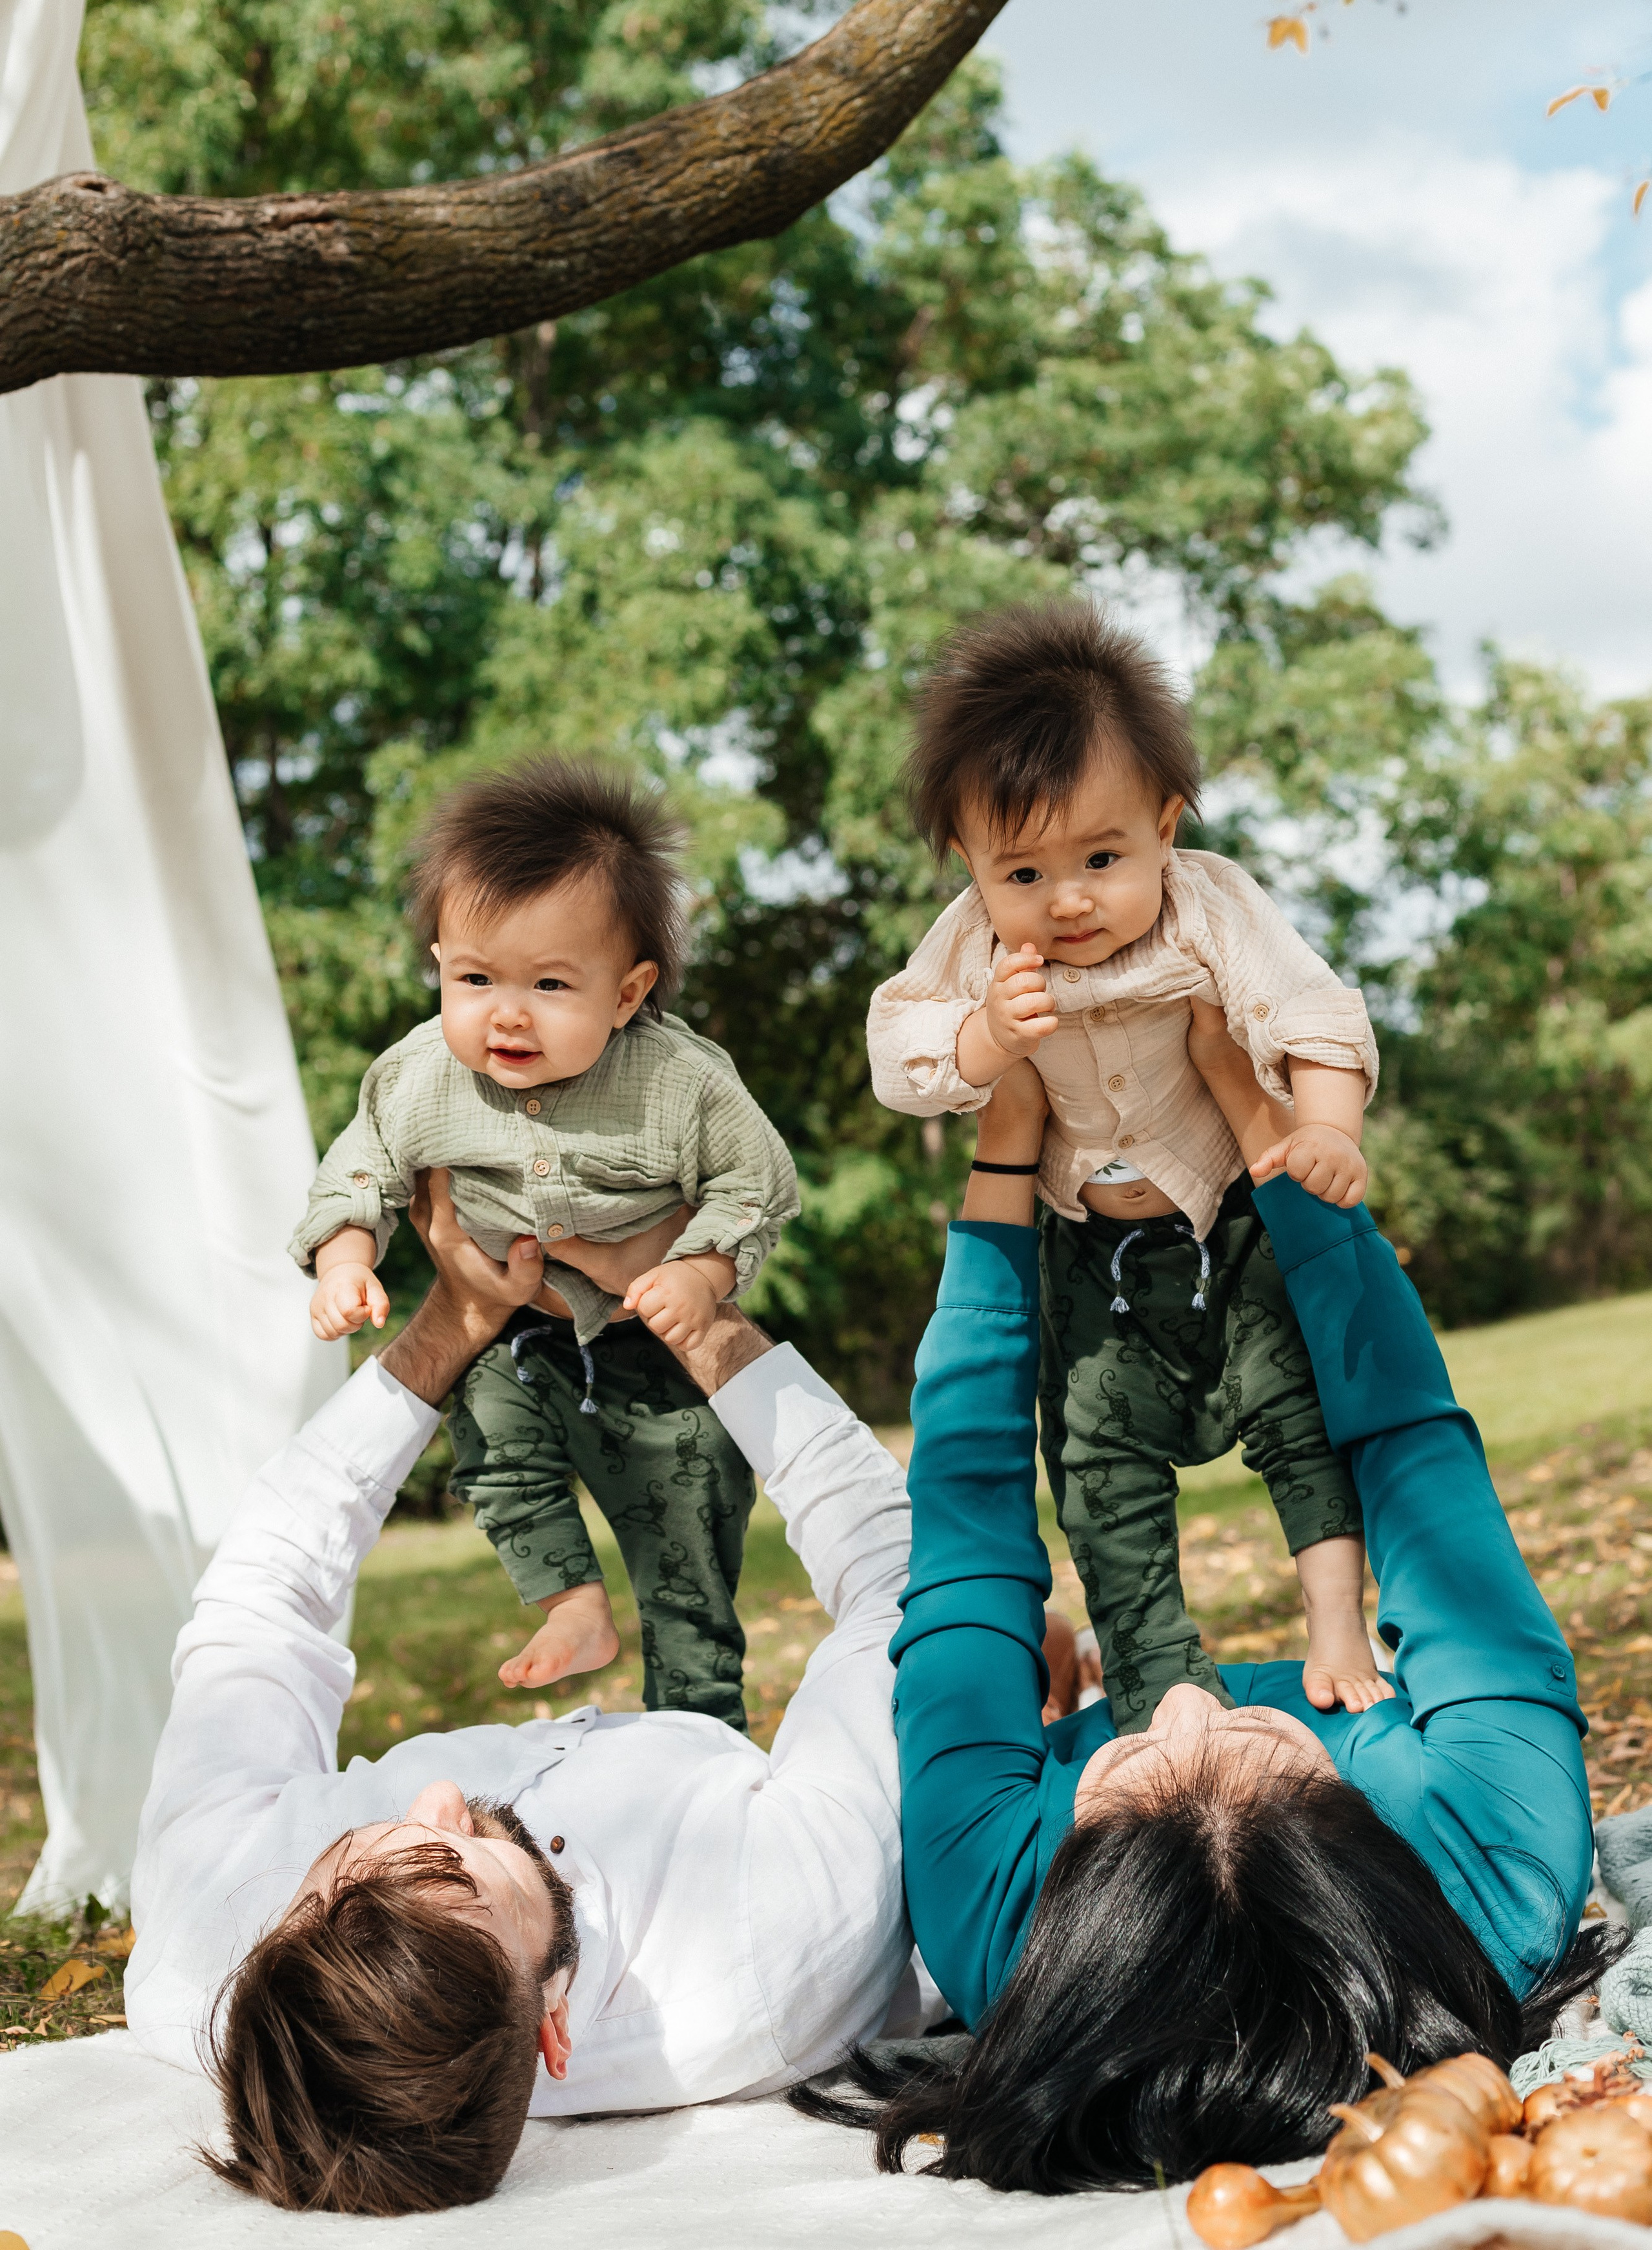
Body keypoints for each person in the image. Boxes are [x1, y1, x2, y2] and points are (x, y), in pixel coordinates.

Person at [794, 1060, 1618, 2191]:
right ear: (1366, 1831)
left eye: (1125, 1760)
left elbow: (968, 1535)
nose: (1189, 1698)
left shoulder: (996, 1922)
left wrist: (1003, 1166)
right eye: (1263, 1744)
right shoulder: (1505, 1865)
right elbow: (1409, 1443)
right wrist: (1255, 1119)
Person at [126, 1171, 911, 2216]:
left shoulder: (203, 1926)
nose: (439, 1796)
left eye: (337, 1863)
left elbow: (254, 1603)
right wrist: (701, 1319)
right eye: (473, 1864)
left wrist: (452, 1322)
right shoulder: (779, 1934)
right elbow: (902, 1589)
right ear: (553, 2027)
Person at [867, 599, 1388, 1726]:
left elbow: (1310, 1010)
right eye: (1023, 873)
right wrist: (985, 1039)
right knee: (1099, 1470)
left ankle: (1338, 1619)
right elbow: (901, 1054)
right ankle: (1156, 1671)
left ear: (1167, 820)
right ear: (968, 862)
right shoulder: (971, 945)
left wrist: (1331, 1127)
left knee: (1299, 1415)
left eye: (1103, 856)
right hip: (1091, 1259)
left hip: (1229, 1225)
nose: (1068, 900)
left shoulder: (1211, 905)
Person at [290, 756, 800, 1721]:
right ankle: (571, 1601)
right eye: (476, 977)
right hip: (516, 1337)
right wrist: (347, 1259)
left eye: (551, 983)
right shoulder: (419, 1077)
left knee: (692, 1497)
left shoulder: (675, 1083)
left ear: (626, 991)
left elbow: (757, 1178)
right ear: (441, 965)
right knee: (491, 1443)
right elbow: (361, 1167)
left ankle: (702, 1713)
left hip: (653, 1338)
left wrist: (701, 1266)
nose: (507, 1013)